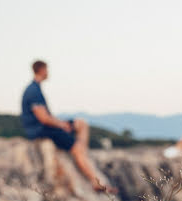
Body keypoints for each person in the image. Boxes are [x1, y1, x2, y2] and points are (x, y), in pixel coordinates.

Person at [21, 60, 116, 193]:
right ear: (42, 70)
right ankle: (95, 181)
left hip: (44, 127)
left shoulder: (35, 88)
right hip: (41, 130)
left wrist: (61, 123)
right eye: (47, 69)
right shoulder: (33, 90)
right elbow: (43, 118)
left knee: (81, 123)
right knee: (77, 148)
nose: (48, 72)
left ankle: (82, 153)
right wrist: (62, 125)